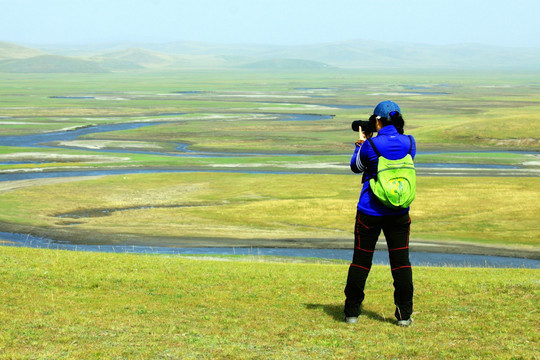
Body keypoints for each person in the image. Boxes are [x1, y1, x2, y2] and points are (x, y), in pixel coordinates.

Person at [343, 100, 416, 327]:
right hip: (399, 211)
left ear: (377, 121)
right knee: (401, 263)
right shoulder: (410, 142)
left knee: (361, 262)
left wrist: (360, 143)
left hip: (370, 212)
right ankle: (404, 315)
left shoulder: (371, 146)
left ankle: (352, 313)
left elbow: (356, 167)